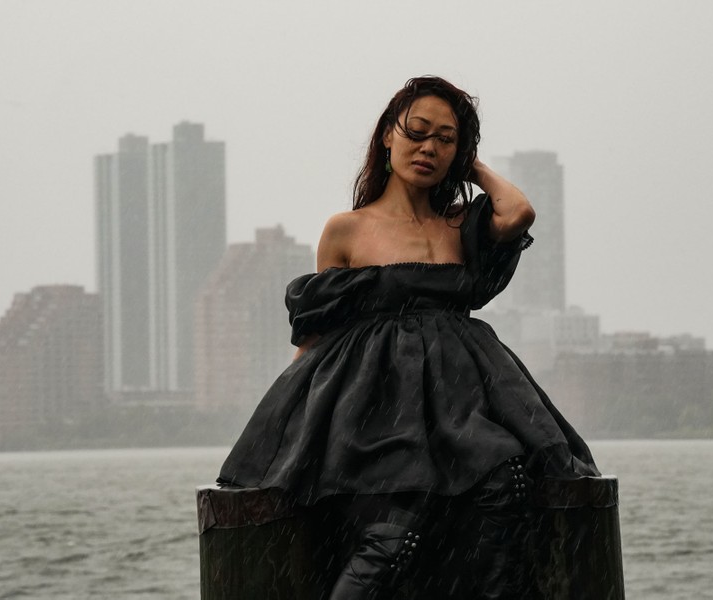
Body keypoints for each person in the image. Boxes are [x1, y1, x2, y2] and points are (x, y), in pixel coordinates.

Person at [217, 76, 599, 599]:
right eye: (417, 132)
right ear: (387, 136)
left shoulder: (460, 225)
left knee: (504, 483)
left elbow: (519, 213)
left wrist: (472, 166)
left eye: (446, 139)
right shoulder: (346, 229)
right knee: (394, 533)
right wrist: (284, 432)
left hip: (461, 403)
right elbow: (316, 335)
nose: (429, 148)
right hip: (378, 412)